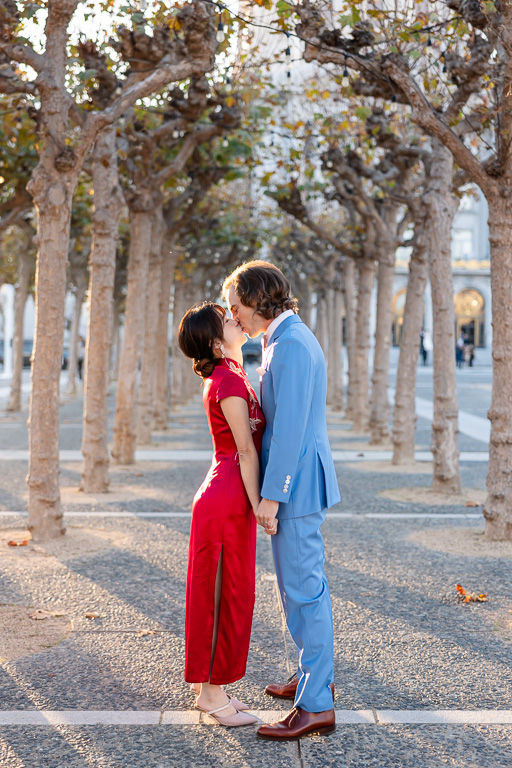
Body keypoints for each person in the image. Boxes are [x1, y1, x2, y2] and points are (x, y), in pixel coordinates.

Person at [223, 261, 341, 741]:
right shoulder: (286, 338)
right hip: (301, 481)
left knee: (304, 592)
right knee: (300, 589)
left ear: (257, 300)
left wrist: (271, 496)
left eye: (236, 306)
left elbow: (289, 429)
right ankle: (312, 677)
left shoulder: (289, 344)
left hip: (296, 486)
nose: (233, 315)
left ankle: (315, 705)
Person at [178, 301, 265, 727]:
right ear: (216, 342)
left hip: (226, 495)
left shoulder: (232, 373)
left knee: (229, 593)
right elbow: (245, 451)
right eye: (226, 319)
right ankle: (210, 694)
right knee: (221, 595)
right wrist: (261, 507)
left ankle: (211, 687)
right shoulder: (227, 380)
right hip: (227, 498)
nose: (235, 319)